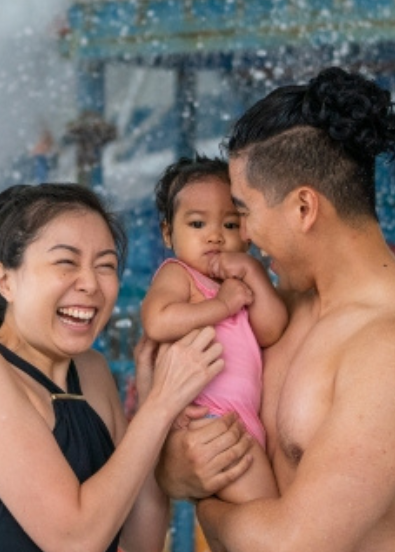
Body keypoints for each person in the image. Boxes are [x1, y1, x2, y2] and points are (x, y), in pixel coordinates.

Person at [153, 66, 395, 551]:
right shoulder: (273, 312)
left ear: (304, 208)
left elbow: (291, 545)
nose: (243, 237)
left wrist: (202, 499)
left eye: (244, 212)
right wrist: (174, 464)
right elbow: (182, 425)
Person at [0, 183, 225, 552]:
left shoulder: (92, 371)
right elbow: (75, 540)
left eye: (105, 266)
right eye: (66, 262)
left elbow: (141, 541)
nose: (90, 284)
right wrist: (160, 404)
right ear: (5, 280)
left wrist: (153, 402)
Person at [140, 155, 285, 504]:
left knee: (257, 518)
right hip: (209, 418)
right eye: (197, 224)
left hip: (241, 420)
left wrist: (253, 274)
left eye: (231, 225)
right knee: (264, 512)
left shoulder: (237, 282)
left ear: (247, 234)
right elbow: (157, 320)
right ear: (167, 233)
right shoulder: (179, 275)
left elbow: (271, 329)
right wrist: (220, 306)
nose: (215, 237)